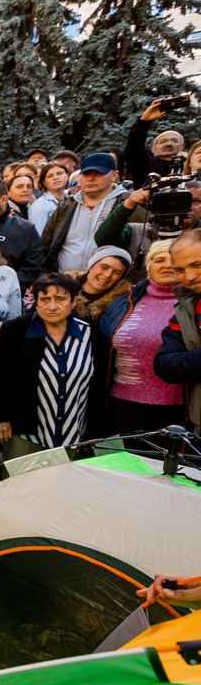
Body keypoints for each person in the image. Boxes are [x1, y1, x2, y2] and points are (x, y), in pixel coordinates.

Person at [0, 274, 106, 458]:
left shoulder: (90, 334)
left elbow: (98, 385)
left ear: (73, 302)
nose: (52, 306)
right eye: (45, 299)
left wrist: (94, 432)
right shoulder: (15, 330)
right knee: (21, 477)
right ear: (36, 302)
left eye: (60, 299)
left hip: (72, 433)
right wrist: (0, 418)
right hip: (26, 434)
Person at [100, 240, 186, 435]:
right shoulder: (125, 300)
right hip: (121, 404)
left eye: (173, 260)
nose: (167, 265)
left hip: (177, 408)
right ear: (149, 267)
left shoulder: (192, 303)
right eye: (159, 260)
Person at [39, 154, 129, 274]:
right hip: (63, 279)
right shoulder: (67, 205)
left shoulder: (127, 204)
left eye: (98, 173)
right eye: (86, 174)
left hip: (106, 280)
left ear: (114, 175)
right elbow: (46, 243)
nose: (91, 179)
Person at [153, 228, 201, 432]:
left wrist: (189, 360)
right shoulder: (186, 308)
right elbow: (164, 365)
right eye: (180, 270)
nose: (189, 277)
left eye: (197, 265)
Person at [125, 98, 188, 188]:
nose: (169, 144)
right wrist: (144, 122)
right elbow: (134, 146)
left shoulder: (189, 167)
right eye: (163, 141)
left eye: (174, 141)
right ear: (154, 148)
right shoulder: (144, 165)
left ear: (182, 146)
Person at [68, 246, 132, 323]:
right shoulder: (63, 288)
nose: (108, 275)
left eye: (117, 273)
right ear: (91, 266)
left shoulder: (118, 306)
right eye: (104, 267)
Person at [29, 161, 70, 236]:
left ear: (67, 175)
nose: (56, 177)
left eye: (59, 173)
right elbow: (39, 236)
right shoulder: (39, 206)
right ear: (44, 182)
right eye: (50, 176)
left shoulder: (72, 199)